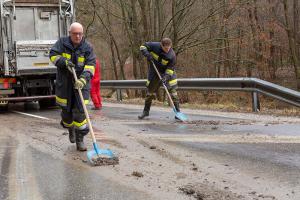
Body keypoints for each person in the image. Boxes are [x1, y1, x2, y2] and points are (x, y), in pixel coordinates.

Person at [49, 22, 96, 151]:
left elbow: (91, 65)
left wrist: (83, 79)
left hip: (81, 85)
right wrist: (64, 62)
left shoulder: (87, 47)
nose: (78, 36)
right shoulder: (62, 43)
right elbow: (52, 55)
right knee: (67, 114)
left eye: (80, 33)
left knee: (80, 113)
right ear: (70, 33)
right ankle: (70, 128)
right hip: (65, 84)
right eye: (75, 33)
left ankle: (80, 140)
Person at [138, 38, 180, 120]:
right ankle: (146, 111)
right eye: (165, 48)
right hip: (155, 70)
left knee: (173, 92)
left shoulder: (172, 55)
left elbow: (170, 69)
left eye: (169, 48)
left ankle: (177, 113)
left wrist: (165, 77)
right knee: (150, 92)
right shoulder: (154, 46)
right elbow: (142, 47)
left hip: (167, 73)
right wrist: (147, 54)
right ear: (161, 45)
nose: (167, 50)